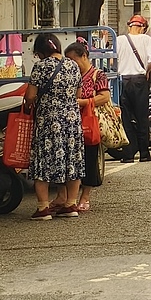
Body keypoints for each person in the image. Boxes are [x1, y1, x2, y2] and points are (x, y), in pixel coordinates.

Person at [24, 32, 85, 220]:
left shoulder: (40, 67)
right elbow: (78, 94)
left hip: (48, 122)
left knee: (43, 161)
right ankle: (70, 204)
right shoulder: (73, 66)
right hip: (71, 122)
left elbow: (30, 96)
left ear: (41, 51)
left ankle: (43, 208)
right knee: (72, 160)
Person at [64, 39, 112, 213]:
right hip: (71, 124)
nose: (71, 64)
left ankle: (85, 197)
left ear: (84, 56)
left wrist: (83, 102)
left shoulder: (97, 75)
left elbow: (104, 97)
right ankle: (66, 198)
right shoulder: (69, 76)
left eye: (73, 60)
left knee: (89, 159)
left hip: (90, 123)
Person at [115, 14, 151, 163]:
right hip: (139, 81)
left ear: (129, 26)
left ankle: (128, 155)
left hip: (123, 81)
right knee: (141, 118)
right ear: (142, 28)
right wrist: (146, 71)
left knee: (125, 119)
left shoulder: (119, 40)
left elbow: (112, 60)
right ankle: (144, 154)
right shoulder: (145, 39)